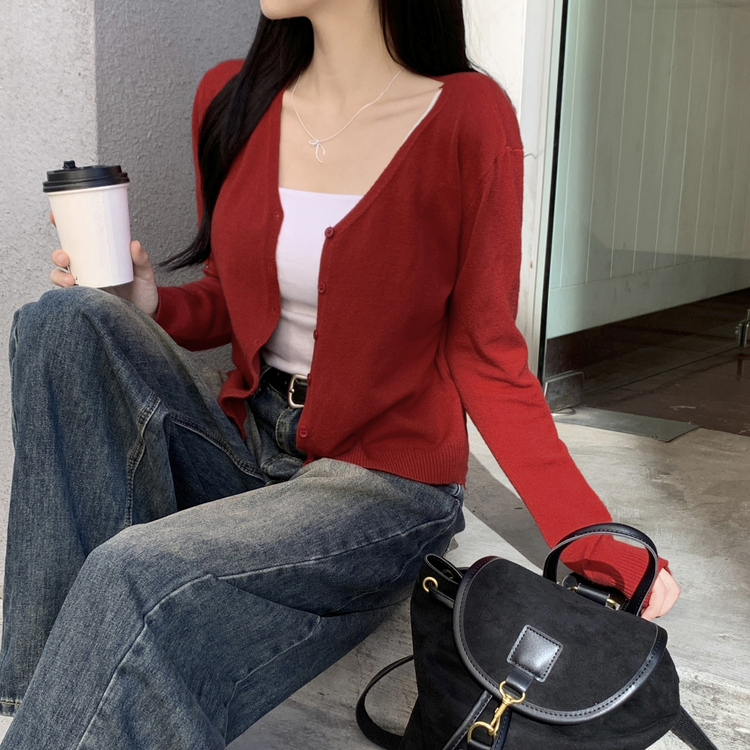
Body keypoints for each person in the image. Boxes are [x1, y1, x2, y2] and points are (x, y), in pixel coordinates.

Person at [0, 0, 680, 747]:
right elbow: (232, 293)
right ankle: (32, 703)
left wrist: (598, 547)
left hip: (380, 482)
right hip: (249, 445)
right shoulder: (231, 97)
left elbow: (486, 351)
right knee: (61, 318)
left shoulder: (468, 114)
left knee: (132, 570)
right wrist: (151, 304)